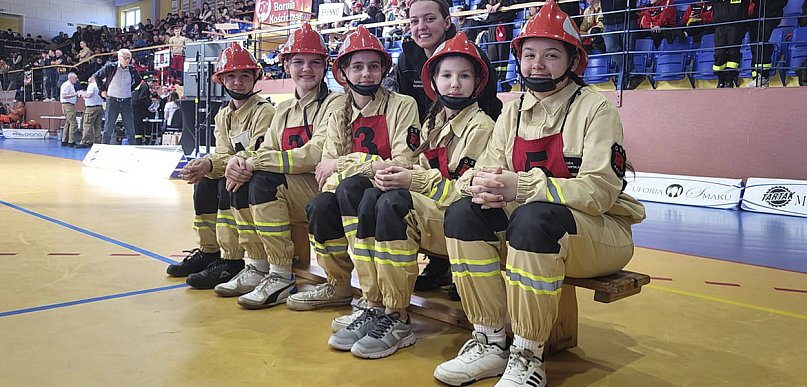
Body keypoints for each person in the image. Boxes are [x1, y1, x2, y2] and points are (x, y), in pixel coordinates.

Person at [432, 2, 645, 386]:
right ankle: (489, 340)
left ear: (572, 60)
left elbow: (600, 191)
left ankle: (528, 355)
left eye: (551, 54)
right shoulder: (511, 113)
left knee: (534, 217)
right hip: (534, 227)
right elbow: (487, 167)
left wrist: (524, 185)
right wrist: (480, 185)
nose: (538, 64)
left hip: (601, 232)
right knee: (464, 213)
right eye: (529, 54)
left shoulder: (597, 109)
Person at [329, 31, 496, 359]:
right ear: (433, 81)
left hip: (460, 222)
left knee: (392, 201)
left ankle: (397, 315)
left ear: (477, 83)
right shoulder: (434, 120)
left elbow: (462, 189)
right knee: (371, 197)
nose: (454, 84)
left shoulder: (482, 127)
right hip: (433, 212)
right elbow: (419, 168)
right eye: (446, 75)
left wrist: (411, 179)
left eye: (464, 76)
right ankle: (376, 305)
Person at [288, 26, 420, 314]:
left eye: (374, 67)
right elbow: (325, 173)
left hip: (389, 193)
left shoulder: (403, 105)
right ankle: (339, 284)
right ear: (343, 73)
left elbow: (401, 163)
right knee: (321, 204)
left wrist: (345, 164)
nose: (366, 74)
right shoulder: (337, 114)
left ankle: (374, 295)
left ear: (384, 70)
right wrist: (357, 167)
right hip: (350, 194)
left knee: (351, 188)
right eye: (357, 67)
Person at [214, 23, 345, 309]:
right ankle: (257, 266)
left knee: (260, 177)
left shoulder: (336, 103)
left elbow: (314, 154)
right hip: (295, 191)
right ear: (286, 65)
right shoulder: (284, 108)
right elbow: (267, 148)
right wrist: (239, 161)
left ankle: (280, 274)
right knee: (238, 176)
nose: (306, 69)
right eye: (298, 62)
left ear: (325, 66)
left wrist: (254, 160)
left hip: (323, 191)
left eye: (315, 62)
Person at [394, 0, 503, 293]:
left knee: (461, 195)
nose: (421, 27)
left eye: (429, 19)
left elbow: (486, 103)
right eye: (415, 21)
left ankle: (462, 267)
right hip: (434, 129)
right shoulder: (407, 59)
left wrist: (474, 138)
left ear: (447, 21)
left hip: (469, 132)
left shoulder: (472, 55)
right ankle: (438, 264)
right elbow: (408, 110)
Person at [168, 42, 276, 289]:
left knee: (227, 183)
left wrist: (213, 164)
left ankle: (232, 260)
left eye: (244, 76)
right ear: (222, 80)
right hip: (234, 169)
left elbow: (256, 153)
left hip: (257, 174)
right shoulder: (223, 115)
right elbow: (223, 152)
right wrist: (207, 164)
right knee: (204, 184)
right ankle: (209, 252)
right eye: (232, 77)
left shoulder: (264, 111)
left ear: (255, 78)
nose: (238, 82)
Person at [94, 49, 143, 145]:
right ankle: (104, 148)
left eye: (129, 58)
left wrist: (130, 89)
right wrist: (102, 90)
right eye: (125, 58)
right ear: (119, 57)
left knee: (130, 128)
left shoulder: (132, 69)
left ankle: (133, 149)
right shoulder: (111, 67)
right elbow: (97, 76)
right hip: (113, 100)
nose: (127, 60)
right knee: (108, 127)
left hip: (126, 101)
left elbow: (138, 80)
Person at [747, 0, 787, 87]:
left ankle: (763, 76)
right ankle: (756, 76)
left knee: (761, 41)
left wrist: (770, 7)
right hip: (756, 15)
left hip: (771, 14)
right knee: (754, 44)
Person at [712, 0, 749, 88]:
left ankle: (730, 79)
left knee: (733, 53)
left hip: (736, 26)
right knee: (719, 53)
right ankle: (721, 80)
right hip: (720, 26)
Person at [77, 75, 104, 148]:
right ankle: (97, 141)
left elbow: (89, 95)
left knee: (87, 125)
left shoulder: (91, 85)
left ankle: (85, 141)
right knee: (97, 126)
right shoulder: (100, 86)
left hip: (91, 108)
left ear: (91, 80)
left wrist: (81, 94)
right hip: (100, 107)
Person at [59, 73, 80, 147]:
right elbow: (64, 95)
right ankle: (71, 141)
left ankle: (64, 140)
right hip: (68, 105)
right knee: (73, 123)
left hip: (69, 104)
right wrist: (75, 94)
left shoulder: (71, 85)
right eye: (75, 78)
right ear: (70, 78)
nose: (76, 80)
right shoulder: (66, 85)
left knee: (68, 123)